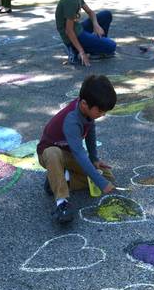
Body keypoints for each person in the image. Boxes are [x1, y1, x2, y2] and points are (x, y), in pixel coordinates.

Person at [37, 75, 117, 223]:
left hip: (68, 154)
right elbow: (79, 154)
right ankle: (62, 203)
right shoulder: (71, 120)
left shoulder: (87, 111)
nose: (102, 115)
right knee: (53, 152)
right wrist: (100, 183)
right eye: (100, 111)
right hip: (49, 155)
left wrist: (94, 159)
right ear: (85, 104)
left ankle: (59, 180)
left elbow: (90, 132)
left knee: (107, 176)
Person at [55, 0, 116, 66]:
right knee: (112, 46)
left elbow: (90, 12)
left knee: (106, 15)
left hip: (78, 29)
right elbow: (68, 30)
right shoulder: (71, 0)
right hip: (72, 35)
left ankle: (99, 46)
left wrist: (96, 25)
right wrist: (82, 52)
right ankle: (74, 49)